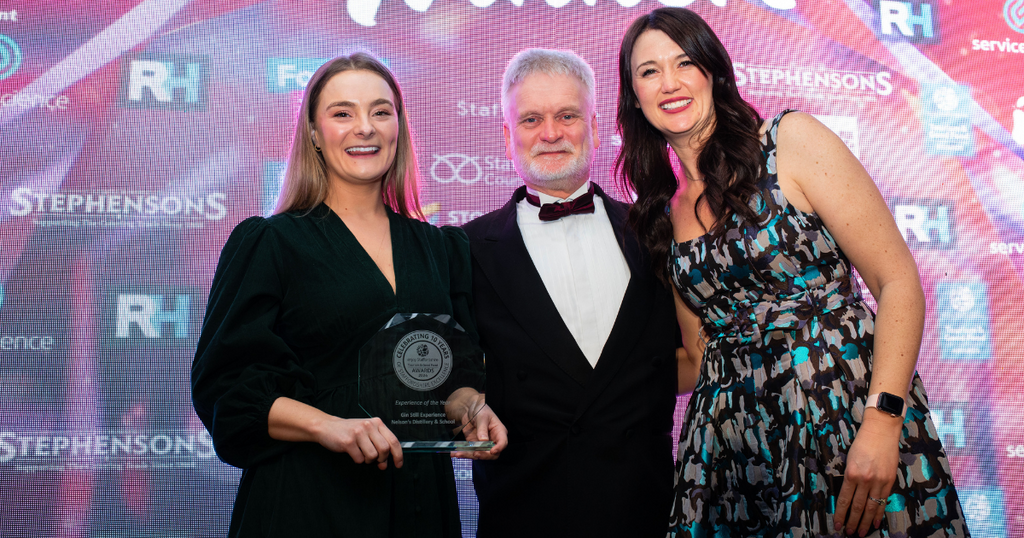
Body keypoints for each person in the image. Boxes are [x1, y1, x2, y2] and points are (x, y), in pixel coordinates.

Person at [616, 8, 970, 538]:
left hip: (839, 414)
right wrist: (590, 386)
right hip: (730, 447)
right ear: (634, 95)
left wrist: (881, 421)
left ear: (713, 70)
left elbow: (898, 283)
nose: (669, 82)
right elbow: (697, 356)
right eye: (649, 71)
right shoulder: (665, 215)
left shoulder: (788, 143)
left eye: (684, 62)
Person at [191, 52, 506, 537]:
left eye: (381, 112)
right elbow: (226, 390)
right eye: (343, 113)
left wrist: (471, 406)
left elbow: (449, 375)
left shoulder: (441, 248)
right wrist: (328, 425)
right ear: (314, 134)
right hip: (308, 501)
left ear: (399, 127)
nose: (365, 127)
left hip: (421, 504)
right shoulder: (271, 242)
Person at [462, 48, 680, 537]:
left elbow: (690, 359)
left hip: (644, 514)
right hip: (522, 516)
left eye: (567, 116)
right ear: (507, 136)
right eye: (532, 119)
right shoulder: (463, 248)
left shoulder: (657, 233)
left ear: (596, 128)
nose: (551, 133)